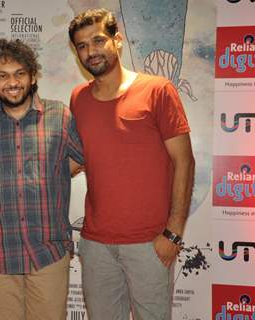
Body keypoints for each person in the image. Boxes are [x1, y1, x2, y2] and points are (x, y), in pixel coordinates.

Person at [68, 8, 195, 320]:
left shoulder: (157, 90)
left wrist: (174, 232)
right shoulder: (78, 99)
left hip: (151, 243)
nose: (90, 51)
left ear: (118, 40)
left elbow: (184, 161)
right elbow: (76, 160)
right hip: (95, 244)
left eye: (98, 41)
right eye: (82, 46)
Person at [0, 39, 84, 320]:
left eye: (20, 73)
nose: (13, 82)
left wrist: (53, 173)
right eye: (2, 76)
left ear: (32, 76)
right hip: (0, 254)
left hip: (48, 252)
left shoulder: (61, 116)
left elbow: (81, 158)